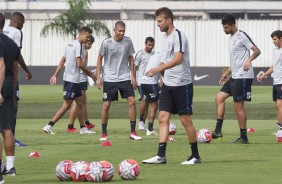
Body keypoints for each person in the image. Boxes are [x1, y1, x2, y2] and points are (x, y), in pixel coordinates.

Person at [142, 7, 201, 165]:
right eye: (157, 21)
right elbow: (166, 58)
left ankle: (195, 156)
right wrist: (161, 74)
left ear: (168, 20)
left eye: (160, 21)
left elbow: (178, 59)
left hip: (182, 84)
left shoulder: (179, 35)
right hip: (167, 85)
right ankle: (161, 156)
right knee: (162, 118)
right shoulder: (166, 38)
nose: (157, 24)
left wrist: (158, 69)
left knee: (185, 120)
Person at [211, 14, 261, 144]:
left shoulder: (242, 36)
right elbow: (236, 60)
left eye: (226, 27)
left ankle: (243, 137)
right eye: (223, 27)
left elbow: (257, 51)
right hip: (235, 75)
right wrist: (227, 72)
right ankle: (217, 132)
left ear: (233, 24)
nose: (224, 30)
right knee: (219, 98)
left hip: (244, 76)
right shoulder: (231, 38)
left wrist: (249, 60)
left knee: (238, 106)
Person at [43, 27, 96, 135]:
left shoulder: (69, 44)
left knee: (80, 103)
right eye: (87, 37)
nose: (88, 39)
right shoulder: (79, 46)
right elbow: (80, 64)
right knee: (66, 105)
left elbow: (62, 61)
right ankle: (49, 126)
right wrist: (91, 75)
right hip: (72, 80)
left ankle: (82, 128)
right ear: (82, 34)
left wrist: (55, 75)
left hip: (73, 80)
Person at [96, 20, 142, 141]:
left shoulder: (128, 41)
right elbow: (99, 58)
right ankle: (104, 133)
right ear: (114, 30)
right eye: (119, 31)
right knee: (106, 104)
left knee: (132, 101)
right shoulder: (106, 43)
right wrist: (99, 77)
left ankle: (133, 132)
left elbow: (131, 58)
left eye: (123, 31)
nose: (121, 33)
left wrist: (133, 76)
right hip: (110, 78)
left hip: (124, 77)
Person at [3, 12, 32, 147]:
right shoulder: (17, 32)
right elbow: (17, 55)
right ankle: (12, 138)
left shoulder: (3, 31)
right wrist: (26, 70)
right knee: (13, 105)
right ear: (19, 21)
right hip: (8, 74)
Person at [0, 12, 21, 176]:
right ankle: (10, 167)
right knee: (7, 128)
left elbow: (0, 66)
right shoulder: (12, 45)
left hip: (0, 86)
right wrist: (13, 94)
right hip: (8, 86)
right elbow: (14, 71)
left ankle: (0, 167)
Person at [67, 35, 96, 133]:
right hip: (81, 78)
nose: (90, 46)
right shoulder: (84, 51)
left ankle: (84, 123)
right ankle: (73, 126)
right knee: (79, 103)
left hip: (76, 77)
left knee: (80, 102)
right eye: (89, 43)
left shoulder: (75, 47)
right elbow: (82, 65)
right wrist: (91, 74)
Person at [257, 30, 282, 132]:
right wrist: (264, 74)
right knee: (277, 106)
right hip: (275, 82)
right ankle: (280, 130)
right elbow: (274, 66)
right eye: (272, 39)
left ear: (281, 38)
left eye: (275, 39)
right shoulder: (275, 51)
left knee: (280, 105)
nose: (273, 41)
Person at [134, 37, 155, 131]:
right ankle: (141, 122)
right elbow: (134, 67)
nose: (150, 47)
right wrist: (133, 79)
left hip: (150, 81)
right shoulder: (140, 54)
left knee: (148, 102)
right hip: (141, 81)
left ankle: (142, 123)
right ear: (145, 44)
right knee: (145, 100)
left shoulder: (154, 55)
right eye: (149, 44)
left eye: (152, 45)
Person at [141, 52, 163, 136]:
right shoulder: (165, 55)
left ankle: (149, 129)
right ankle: (164, 127)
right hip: (150, 82)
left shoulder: (155, 55)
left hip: (143, 81)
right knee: (165, 100)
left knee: (154, 104)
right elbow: (162, 67)